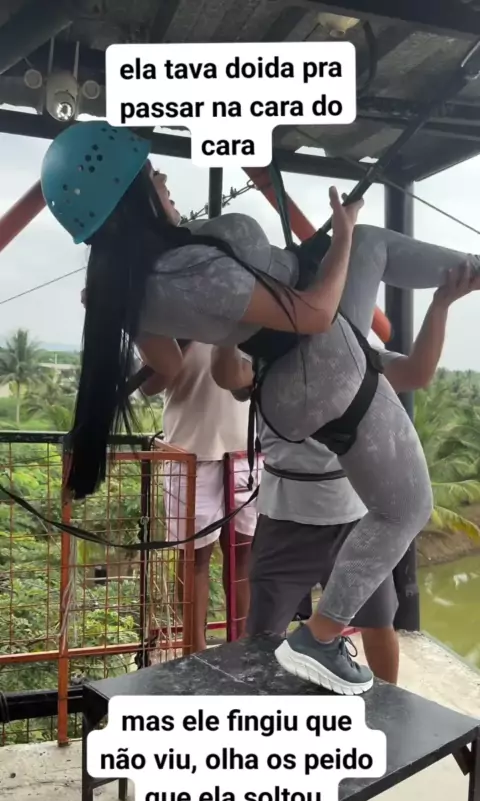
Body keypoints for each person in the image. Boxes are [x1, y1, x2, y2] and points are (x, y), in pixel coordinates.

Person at [41, 120, 480, 695]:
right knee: (407, 507)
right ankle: (320, 638)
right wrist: (340, 236)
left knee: (374, 243)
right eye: (151, 173)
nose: (163, 177)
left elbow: (167, 365)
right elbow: (314, 316)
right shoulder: (190, 272)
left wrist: (139, 312)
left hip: (311, 365)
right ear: (128, 195)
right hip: (319, 362)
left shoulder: (144, 279)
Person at [211, 263, 476, 685]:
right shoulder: (265, 354)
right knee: (261, 635)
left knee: (379, 623)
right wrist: (227, 321)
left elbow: (416, 372)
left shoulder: (352, 351)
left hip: (356, 519)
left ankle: (389, 708)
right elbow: (228, 375)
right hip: (287, 519)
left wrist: (440, 304)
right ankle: (261, 711)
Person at [142, 340, 259, 652]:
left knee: (243, 555)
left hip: (245, 455)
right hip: (190, 457)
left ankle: (243, 649)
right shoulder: (174, 323)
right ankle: (196, 652)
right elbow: (148, 386)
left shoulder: (248, 322)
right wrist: (183, 339)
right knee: (195, 558)